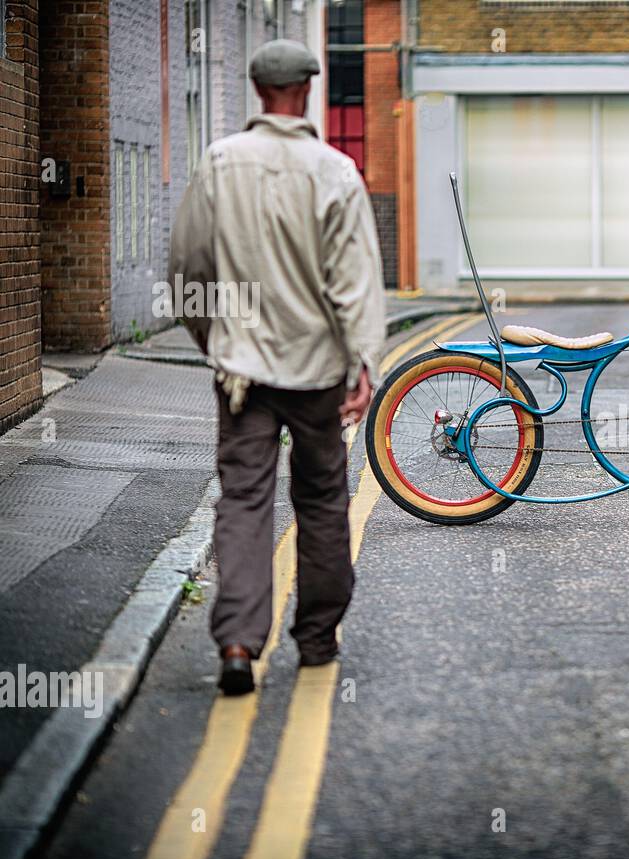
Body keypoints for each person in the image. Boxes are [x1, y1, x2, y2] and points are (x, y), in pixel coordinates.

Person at [170, 39, 385, 695]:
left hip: (243, 371)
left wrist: (215, 339)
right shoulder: (336, 172)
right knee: (321, 501)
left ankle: (237, 643)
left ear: (259, 91)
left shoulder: (219, 163)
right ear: (307, 90)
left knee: (242, 502)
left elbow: (187, 268)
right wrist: (362, 364)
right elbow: (354, 283)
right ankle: (317, 639)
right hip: (318, 371)